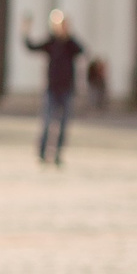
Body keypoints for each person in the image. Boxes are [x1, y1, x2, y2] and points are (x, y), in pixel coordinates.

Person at [22, 9, 85, 167]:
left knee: (63, 124)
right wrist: (25, 32)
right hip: (52, 88)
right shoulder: (51, 42)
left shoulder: (70, 44)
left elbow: (82, 50)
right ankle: (42, 153)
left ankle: (57, 153)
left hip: (66, 89)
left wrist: (68, 36)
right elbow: (31, 47)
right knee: (47, 121)